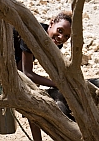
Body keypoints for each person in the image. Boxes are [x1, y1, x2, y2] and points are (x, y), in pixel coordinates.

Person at [20, 11, 73, 141]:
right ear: (51, 23)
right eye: (59, 30)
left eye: (67, 36)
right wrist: (57, 84)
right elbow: (27, 73)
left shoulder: (56, 43)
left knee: (33, 100)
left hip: (19, 56)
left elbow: (53, 68)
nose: (61, 37)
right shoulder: (31, 34)